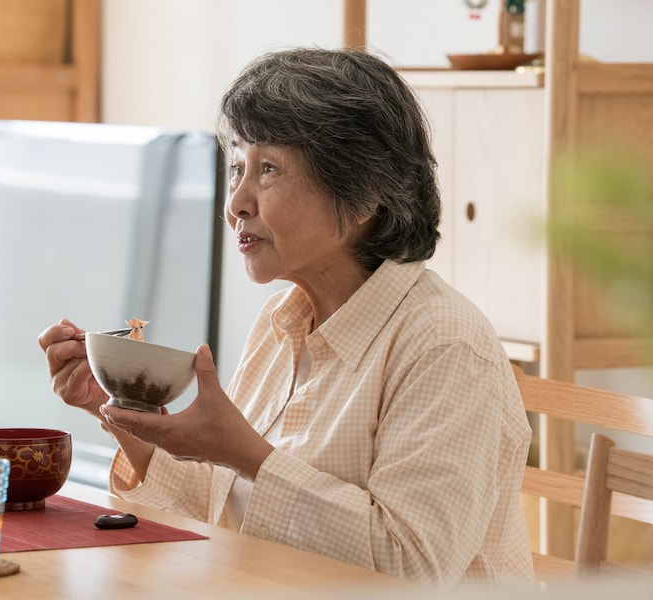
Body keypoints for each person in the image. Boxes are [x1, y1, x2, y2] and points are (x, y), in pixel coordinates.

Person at [38, 47, 533, 587]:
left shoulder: (444, 345)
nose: (236, 204)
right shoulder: (284, 319)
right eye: (238, 168)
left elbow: (407, 567)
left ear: (365, 192)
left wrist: (245, 454)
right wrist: (114, 408)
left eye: (268, 168)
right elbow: (223, 510)